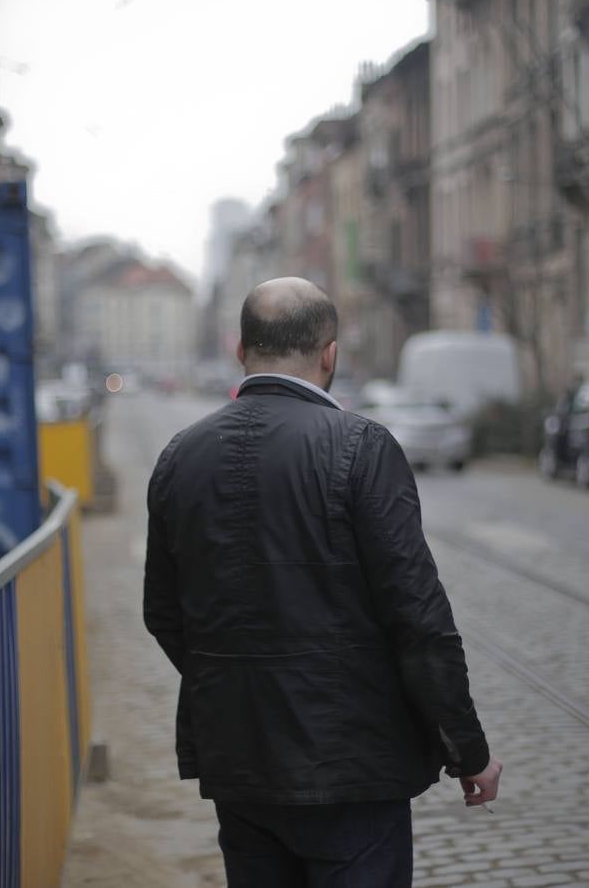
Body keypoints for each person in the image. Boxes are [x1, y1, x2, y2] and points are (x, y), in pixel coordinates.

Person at [143, 277, 501, 887]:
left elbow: (164, 613)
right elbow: (418, 618)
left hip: (242, 763)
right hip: (351, 767)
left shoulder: (182, 454)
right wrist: (466, 748)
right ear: (330, 353)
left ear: (241, 349)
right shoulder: (361, 447)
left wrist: (239, 682)